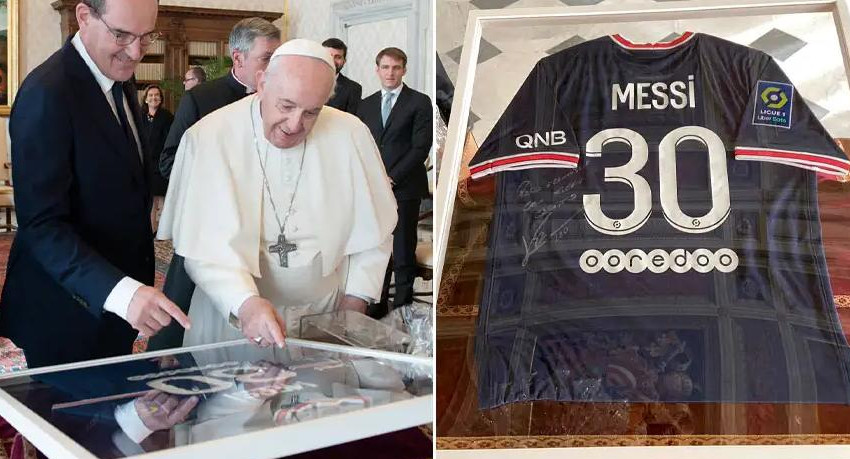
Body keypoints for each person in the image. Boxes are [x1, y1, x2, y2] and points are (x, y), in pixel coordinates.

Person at [158, 39, 397, 349]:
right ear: (261, 83)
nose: (295, 124)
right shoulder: (211, 136)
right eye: (286, 106)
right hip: (235, 320)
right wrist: (244, 303)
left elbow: (374, 234)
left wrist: (355, 302)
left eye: (312, 112)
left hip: (326, 316)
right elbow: (202, 247)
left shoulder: (351, 134)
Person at [0, 0, 190, 368]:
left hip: (115, 305)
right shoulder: (47, 92)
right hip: (65, 311)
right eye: (122, 35)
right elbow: (42, 226)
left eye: (146, 36)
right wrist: (121, 294)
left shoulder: (117, 72)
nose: (136, 52)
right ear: (84, 16)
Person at [147, 17, 281, 351]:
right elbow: (169, 161)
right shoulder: (201, 99)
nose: (275, 67)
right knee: (183, 303)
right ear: (238, 58)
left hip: (261, 221)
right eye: (267, 58)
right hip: (207, 222)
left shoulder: (281, 100)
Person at [357, 47, 433, 315]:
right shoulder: (364, 105)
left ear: (404, 70)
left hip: (405, 186)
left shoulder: (420, 102)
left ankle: (402, 307)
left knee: (402, 247)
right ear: (377, 69)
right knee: (376, 245)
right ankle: (377, 304)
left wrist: (391, 178)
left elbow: (421, 147)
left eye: (396, 68)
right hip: (372, 190)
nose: (390, 73)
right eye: (385, 67)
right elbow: (361, 146)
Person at [139, 84, 173, 231]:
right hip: (144, 162)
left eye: (157, 95)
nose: (154, 98)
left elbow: (170, 139)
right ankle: (151, 228)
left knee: (161, 197)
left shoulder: (167, 116)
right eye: (151, 95)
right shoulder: (139, 115)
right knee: (149, 198)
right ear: (146, 99)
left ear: (161, 99)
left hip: (160, 162)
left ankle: (162, 229)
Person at [322, 38, 362, 114]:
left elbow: (352, 122)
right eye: (328, 56)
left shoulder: (353, 89)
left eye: (338, 57)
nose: (332, 61)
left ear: (344, 61)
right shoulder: (306, 82)